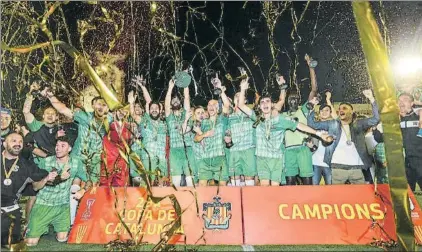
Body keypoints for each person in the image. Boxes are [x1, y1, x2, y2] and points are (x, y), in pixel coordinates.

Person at [238, 77, 332, 186]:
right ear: (259, 106)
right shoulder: (257, 118)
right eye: (262, 102)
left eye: (267, 101)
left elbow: (299, 125)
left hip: (277, 159)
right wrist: (242, 89)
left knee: (275, 187)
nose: (264, 104)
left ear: (272, 105)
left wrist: (318, 133)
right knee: (264, 186)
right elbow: (241, 105)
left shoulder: (281, 119)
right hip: (262, 158)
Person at [25, 137, 90, 246]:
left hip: (62, 207)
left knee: (62, 238)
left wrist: (83, 190)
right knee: (31, 242)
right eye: (57, 146)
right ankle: (32, 226)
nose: (58, 149)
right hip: (44, 205)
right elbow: (35, 187)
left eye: (62, 146)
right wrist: (46, 179)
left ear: (69, 148)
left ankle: (56, 227)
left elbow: (89, 181)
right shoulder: (45, 162)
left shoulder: (76, 162)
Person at [40, 88, 111, 185]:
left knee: (93, 187)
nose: (101, 107)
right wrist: (51, 96)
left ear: (108, 108)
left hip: (95, 161)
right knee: (72, 184)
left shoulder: (111, 120)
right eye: (99, 104)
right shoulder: (84, 116)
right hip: (78, 157)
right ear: (93, 105)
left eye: (104, 105)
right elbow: (63, 109)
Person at [308, 90, 380, 184]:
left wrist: (371, 99)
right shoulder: (333, 124)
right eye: (340, 109)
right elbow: (312, 124)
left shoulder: (359, 124)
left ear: (352, 111)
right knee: (337, 197)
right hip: (338, 168)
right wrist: (312, 107)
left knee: (360, 197)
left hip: (356, 168)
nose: (341, 110)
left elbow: (376, 119)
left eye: (345, 108)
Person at [1, 133, 56, 247]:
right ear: (5, 143)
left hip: (10, 210)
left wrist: (46, 179)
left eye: (20, 141)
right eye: (14, 141)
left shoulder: (27, 165)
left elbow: (36, 186)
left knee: (12, 244)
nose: (18, 144)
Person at [282, 54, 319, 185]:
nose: (294, 100)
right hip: (288, 150)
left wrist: (311, 68)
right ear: (287, 101)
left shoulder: (302, 110)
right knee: (290, 181)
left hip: (303, 149)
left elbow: (314, 89)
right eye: (291, 98)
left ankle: (308, 204)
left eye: (296, 99)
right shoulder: (282, 115)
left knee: (307, 181)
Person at [130, 75, 168, 186]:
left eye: (156, 108)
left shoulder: (165, 124)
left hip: (161, 157)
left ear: (160, 110)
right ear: (149, 111)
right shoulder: (145, 121)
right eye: (152, 108)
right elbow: (134, 113)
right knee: (146, 183)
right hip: (147, 157)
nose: (154, 110)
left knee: (162, 183)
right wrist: (132, 103)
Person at [221, 77, 260, 186]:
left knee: (249, 179)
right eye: (236, 97)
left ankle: (251, 202)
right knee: (235, 180)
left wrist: (242, 89)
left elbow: (242, 105)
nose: (238, 98)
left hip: (248, 150)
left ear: (245, 100)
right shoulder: (229, 117)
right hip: (234, 152)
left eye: (240, 97)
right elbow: (225, 106)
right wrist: (227, 139)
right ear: (233, 100)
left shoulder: (250, 114)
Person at [165, 79, 195, 187]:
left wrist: (185, 83)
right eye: (173, 101)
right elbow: (167, 100)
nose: (175, 101)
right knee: (176, 181)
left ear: (180, 102)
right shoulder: (169, 116)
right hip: (174, 151)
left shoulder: (185, 114)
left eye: (177, 100)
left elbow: (187, 98)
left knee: (190, 180)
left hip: (187, 149)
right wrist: (170, 87)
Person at [100, 108, 135, 187]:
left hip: (122, 159)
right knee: (106, 183)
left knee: (121, 183)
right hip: (109, 157)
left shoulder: (129, 126)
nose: (121, 113)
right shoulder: (108, 123)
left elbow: (130, 142)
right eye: (119, 110)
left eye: (124, 111)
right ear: (115, 111)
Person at [398, 93, 422, 191]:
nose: (401, 102)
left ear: (412, 103)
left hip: (420, 160)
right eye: (399, 100)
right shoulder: (396, 119)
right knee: (408, 193)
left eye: (405, 99)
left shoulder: (418, 115)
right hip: (406, 163)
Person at [311, 103, 335, 185]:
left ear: (331, 112)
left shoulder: (334, 126)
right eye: (322, 110)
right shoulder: (314, 126)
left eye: (327, 110)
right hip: (315, 162)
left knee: (331, 189)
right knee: (314, 189)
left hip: (329, 162)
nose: (324, 112)